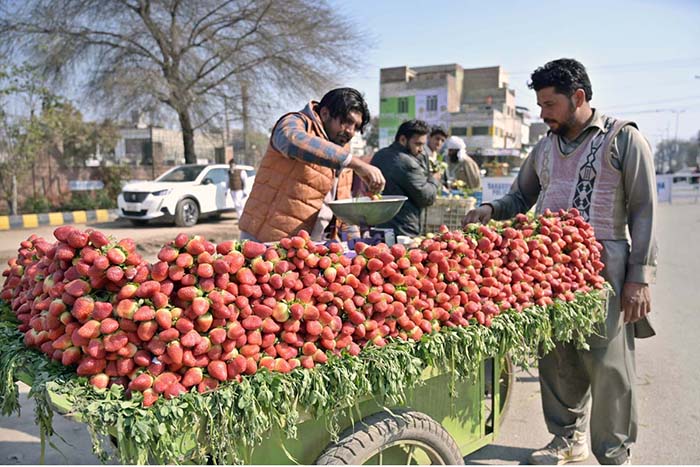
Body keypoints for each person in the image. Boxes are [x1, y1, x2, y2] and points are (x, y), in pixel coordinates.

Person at [462, 58, 657, 465]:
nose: (542, 113)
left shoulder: (623, 139)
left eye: (549, 105)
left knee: (608, 367)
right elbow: (521, 197)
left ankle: (614, 451)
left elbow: (643, 211)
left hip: (606, 266)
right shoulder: (544, 146)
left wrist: (639, 276)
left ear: (579, 98)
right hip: (547, 266)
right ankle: (567, 439)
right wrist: (492, 209)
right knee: (556, 357)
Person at [238, 88, 385, 243]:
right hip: (268, 242)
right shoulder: (296, 123)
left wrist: (358, 244)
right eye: (346, 122)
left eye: (356, 126)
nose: (350, 131)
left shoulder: (342, 149)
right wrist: (356, 164)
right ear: (325, 113)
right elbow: (291, 141)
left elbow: (343, 202)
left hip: (310, 247)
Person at [371, 119, 439, 237]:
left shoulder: (379, 155)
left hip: (379, 226)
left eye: (423, 144)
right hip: (403, 230)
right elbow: (427, 197)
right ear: (403, 139)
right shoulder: (406, 162)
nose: (421, 149)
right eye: (418, 144)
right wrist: (434, 179)